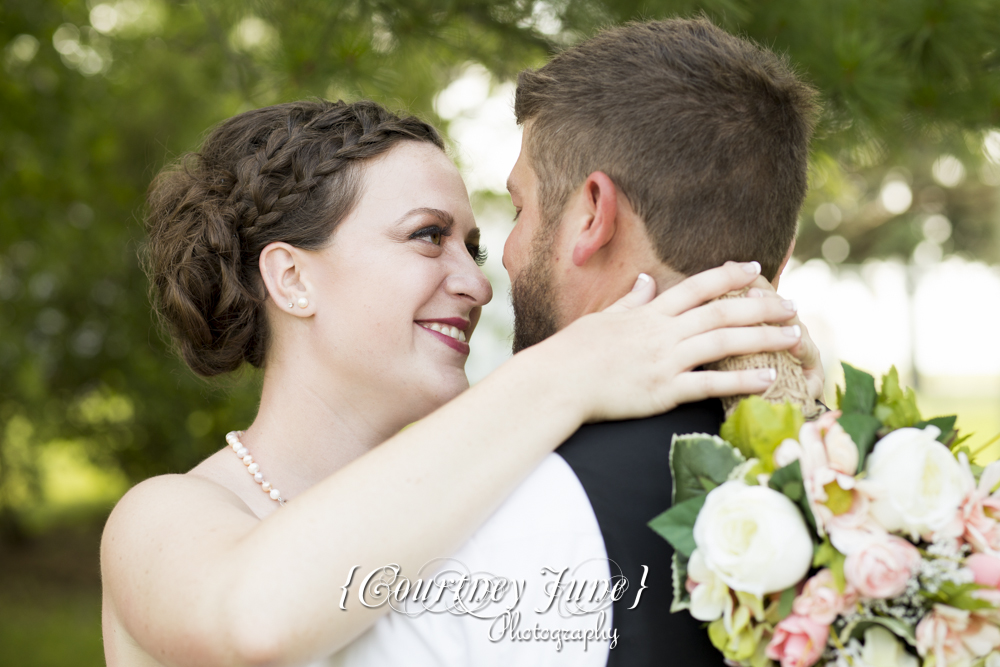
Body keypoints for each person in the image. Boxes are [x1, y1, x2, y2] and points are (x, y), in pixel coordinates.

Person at [100, 99, 814, 666]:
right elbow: (255, 621)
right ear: (292, 277)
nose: (476, 282)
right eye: (426, 235)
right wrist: (572, 369)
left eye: (472, 245)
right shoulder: (163, 517)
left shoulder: (503, 507)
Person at [328, 17, 820, 667]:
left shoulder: (492, 523)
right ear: (781, 256)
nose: (493, 261)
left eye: (520, 209)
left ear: (592, 214)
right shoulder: (875, 496)